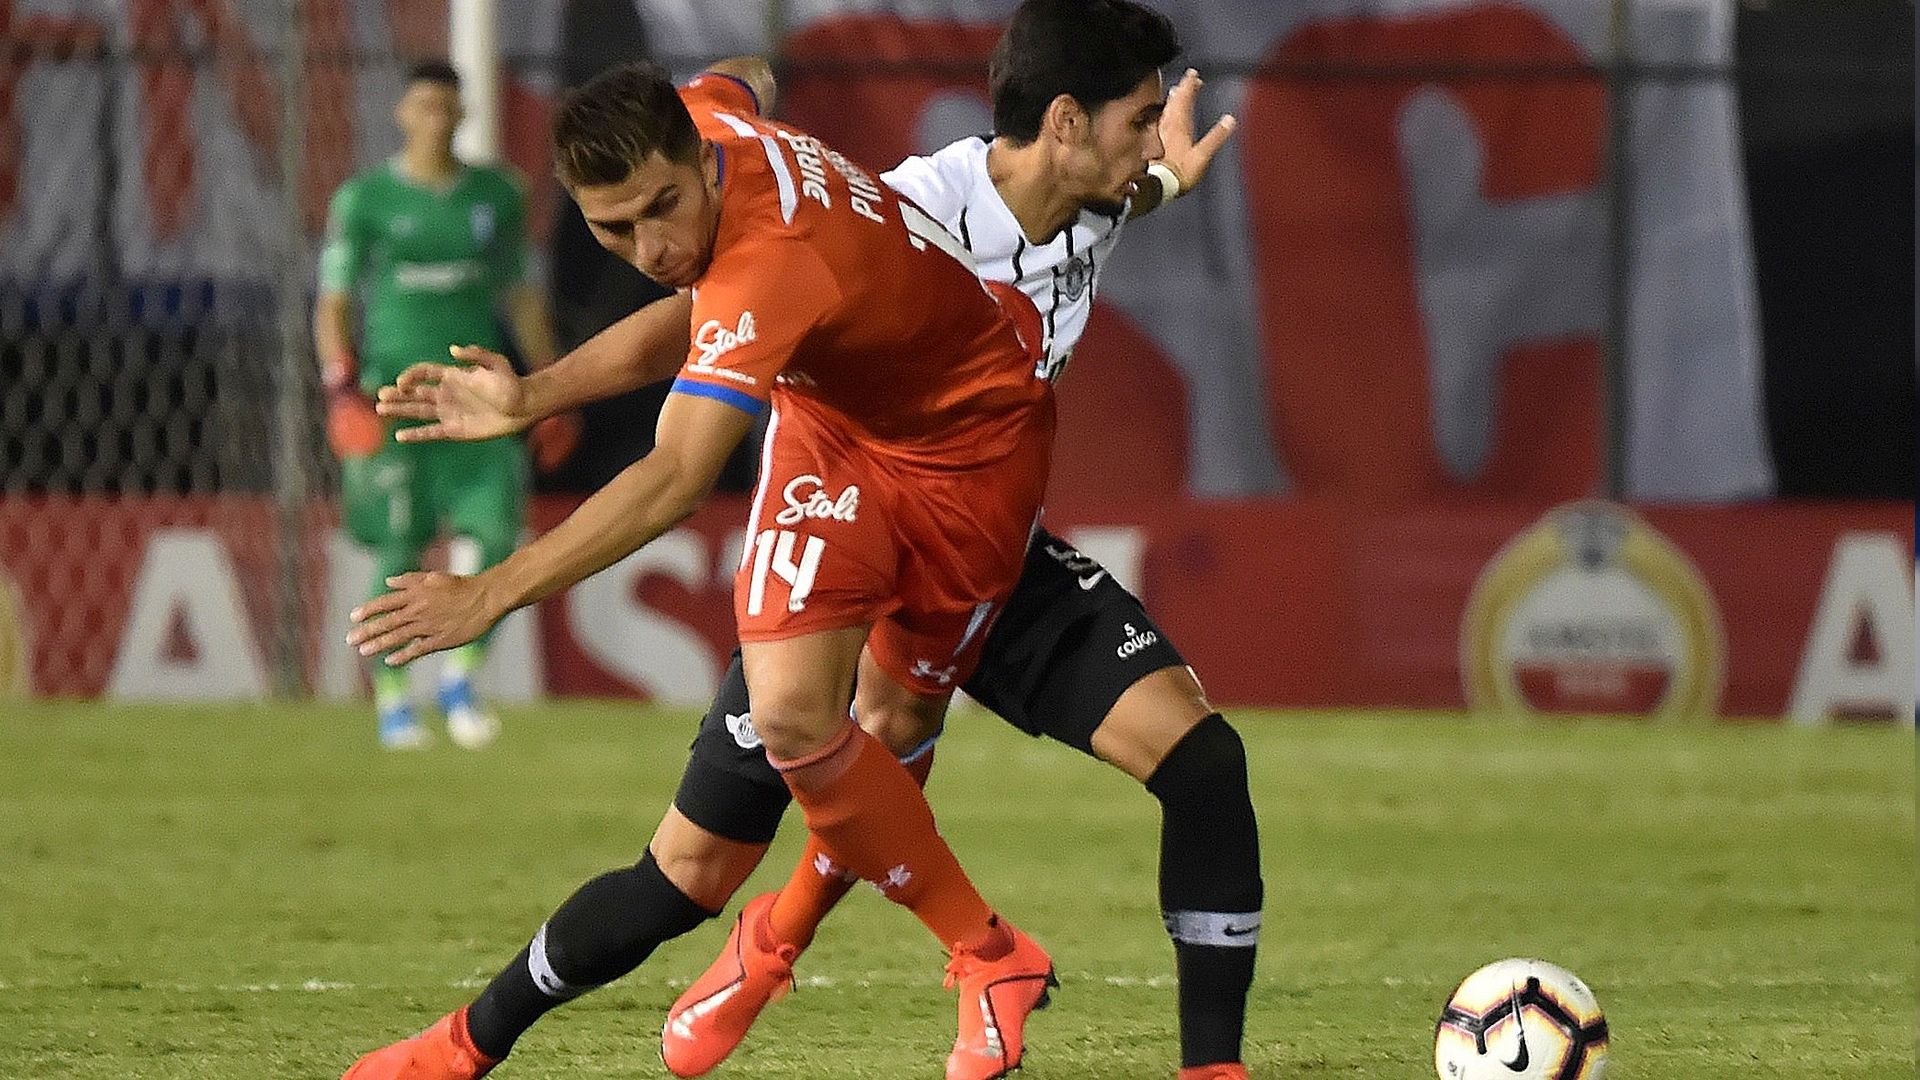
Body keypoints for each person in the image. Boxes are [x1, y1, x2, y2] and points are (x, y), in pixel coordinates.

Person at [367, 5, 1261, 1078]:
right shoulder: (915, 201)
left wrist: (492, 592)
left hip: (971, 495)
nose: (648, 250)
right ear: (1067, 120)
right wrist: (537, 394)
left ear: (700, 154)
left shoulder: (1076, 195)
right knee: (701, 855)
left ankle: (863, 950)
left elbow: (691, 412)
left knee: (1007, 736)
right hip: (851, 471)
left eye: (660, 210)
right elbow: (725, 282)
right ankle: (479, 1040)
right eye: (613, 230)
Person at [316, 59, 578, 750]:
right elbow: (335, 300)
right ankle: (394, 698)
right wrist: (341, 388)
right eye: (424, 105)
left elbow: (519, 295)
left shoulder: (498, 194)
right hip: (396, 399)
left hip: (479, 402)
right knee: (401, 547)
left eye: (447, 106)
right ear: (402, 113)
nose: (437, 117)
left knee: (496, 537)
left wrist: (551, 388)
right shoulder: (365, 199)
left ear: (463, 115)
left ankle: (462, 678)